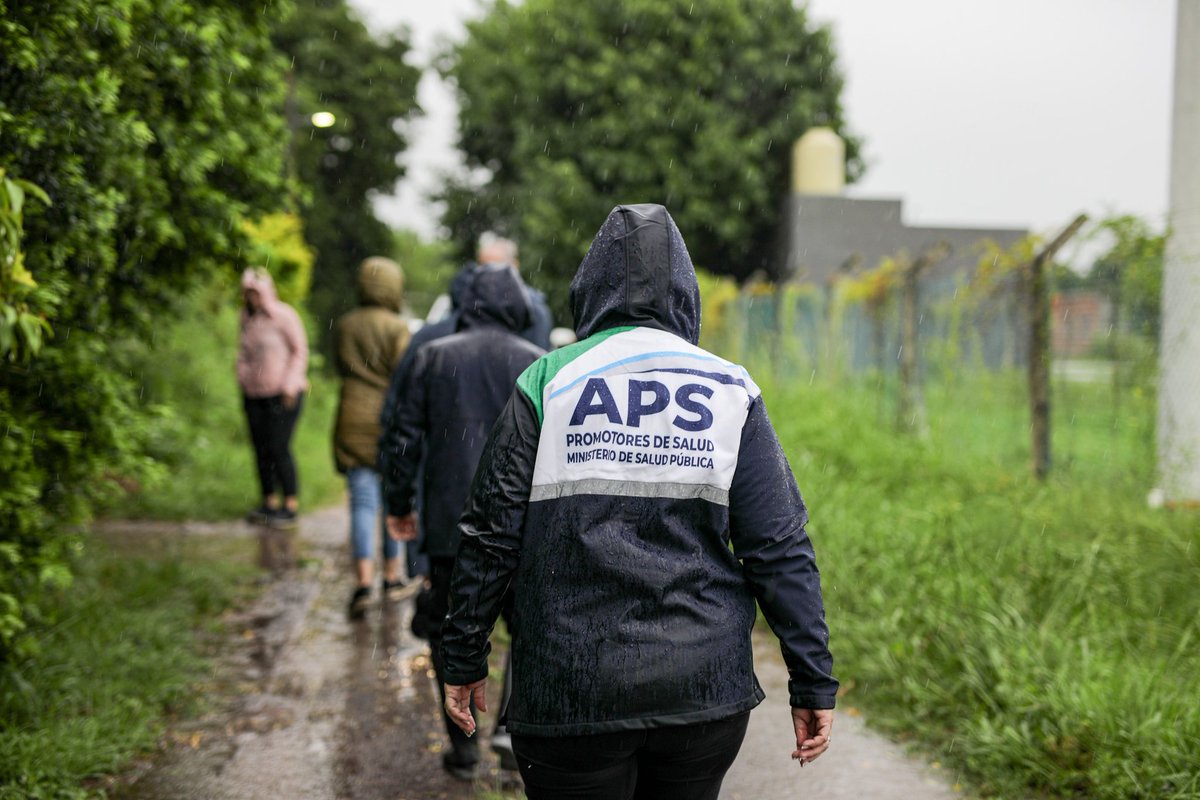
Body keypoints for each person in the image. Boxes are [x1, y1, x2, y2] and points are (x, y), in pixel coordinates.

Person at [440, 204, 837, 799]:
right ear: (685, 290)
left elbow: (490, 533)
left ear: (590, 288)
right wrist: (812, 680)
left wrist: (464, 656)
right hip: (701, 694)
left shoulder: (547, 380)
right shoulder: (731, 388)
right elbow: (777, 546)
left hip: (570, 691)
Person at [381, 264, 544, 781]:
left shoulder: (432, 358)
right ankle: (513, 737)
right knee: (530, 632)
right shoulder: (540, 364)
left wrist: (400, 504)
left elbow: (401, 440)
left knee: (452, 631)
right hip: (522, 524)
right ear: (517, 308)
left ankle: (463, 744)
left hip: (453, 524)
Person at [333, 256, 417, 618]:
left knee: (362, 502)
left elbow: (340, 366)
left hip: (351, 415)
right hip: (387, 420)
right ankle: (393, 576)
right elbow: (405, 375)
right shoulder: (398, 327)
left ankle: (363, 583)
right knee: (390, 500)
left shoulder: (346, 324)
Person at [237, 267, 309, 527]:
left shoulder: (284, 316)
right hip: (254, 394)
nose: (252, 298)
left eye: (255, 292)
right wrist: (242, 377)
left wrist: (290, 386)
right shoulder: (246, 318)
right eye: (248, 293)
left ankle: (290, 502)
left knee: (279, 447)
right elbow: (243, 353)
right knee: (261, 448)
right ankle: (268, 501)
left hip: (284, 394)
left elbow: (299, 351)